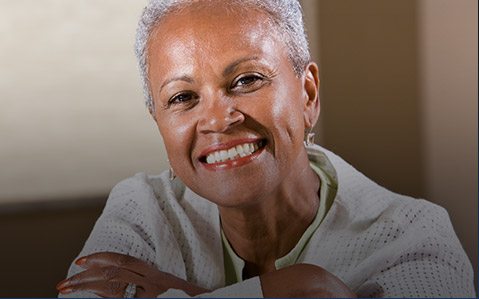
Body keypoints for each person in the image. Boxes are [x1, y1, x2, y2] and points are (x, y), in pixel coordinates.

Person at [56, 0, 475, 297]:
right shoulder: (142, 208)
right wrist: (297, 289)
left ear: (307, 94)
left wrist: (181, 294)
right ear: (159, 123)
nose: (218, 120)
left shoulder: (415, 237)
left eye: (246, 80)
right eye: (182, 98)